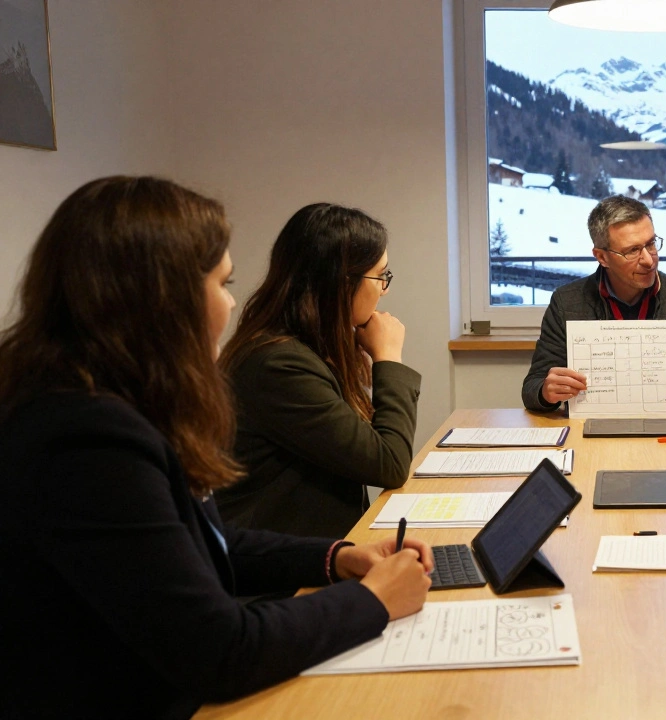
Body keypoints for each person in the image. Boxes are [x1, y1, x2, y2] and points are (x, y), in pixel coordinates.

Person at [0, 176, 433, 719]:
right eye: (222, 283)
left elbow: (204, 541)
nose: (232, 305)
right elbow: (221, 651)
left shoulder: (105, 405)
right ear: (164, 297)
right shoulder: (86, 439)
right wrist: (372, 601)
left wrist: (336, 558)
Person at [214, 204, 420, 538]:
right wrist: (388, 358)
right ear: (340, 282)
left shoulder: (305, 347)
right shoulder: (280, 365)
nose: (385, 288)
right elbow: (390, 464)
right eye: (380, 275)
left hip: (316, 550)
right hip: (283, 570)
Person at [522, 195, 666, 411]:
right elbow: (531, 388)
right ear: (602, 257)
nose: (649, 260)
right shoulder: (567, 302)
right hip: (592, 432)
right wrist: (546, 392)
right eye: (632, 251)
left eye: (651, 244)